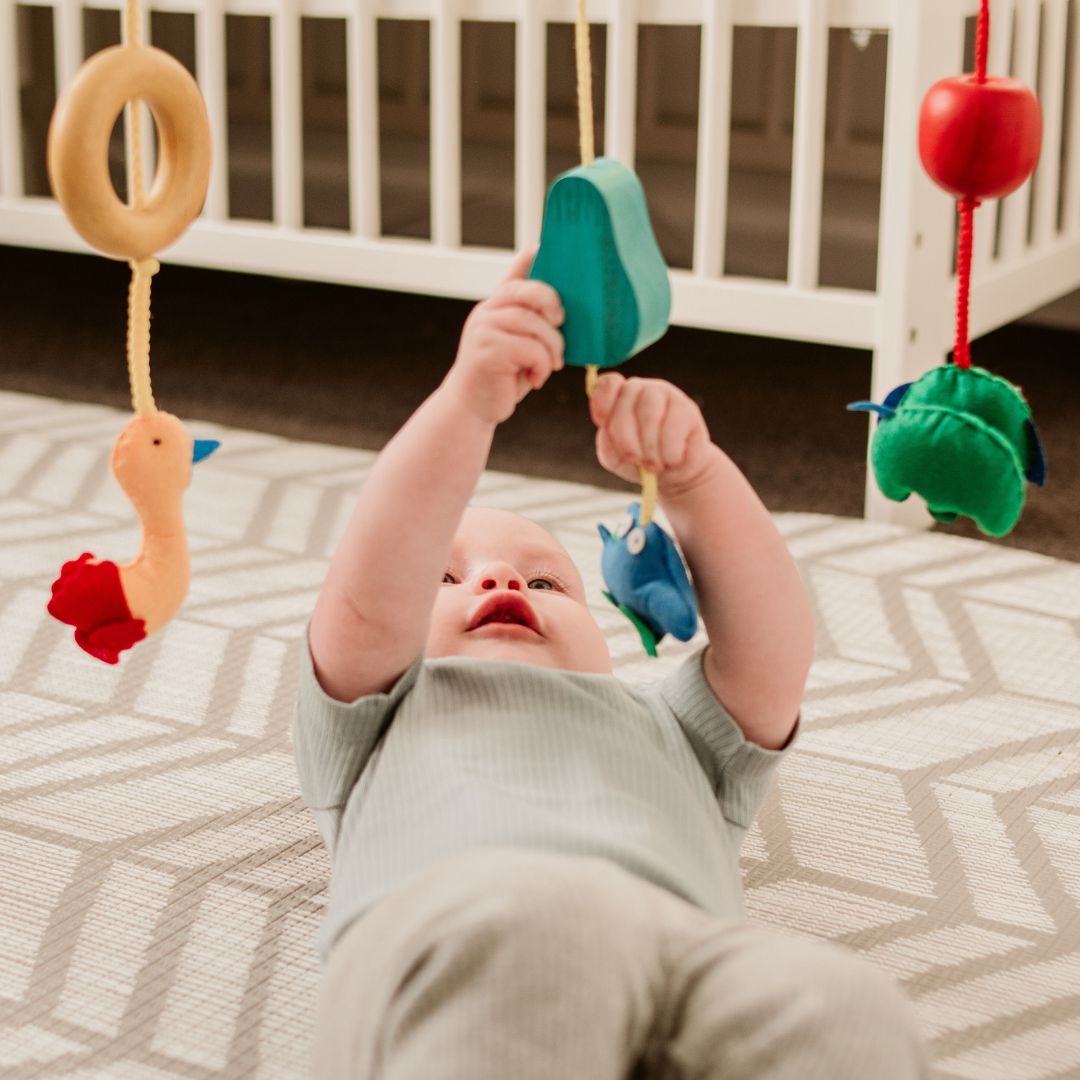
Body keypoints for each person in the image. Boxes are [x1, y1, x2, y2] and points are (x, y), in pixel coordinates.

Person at [292, 247, 929, 1079]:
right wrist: (466, 407)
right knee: (548, 932)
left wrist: (697, 477)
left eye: (547, 579)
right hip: (467, 933)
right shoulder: (383, 710)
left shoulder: (671, 728)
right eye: (442, 577)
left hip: (688, 961)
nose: (499, 578)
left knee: (843, 1004)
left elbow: (773, 652)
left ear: (603, 632)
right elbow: (368, 595)